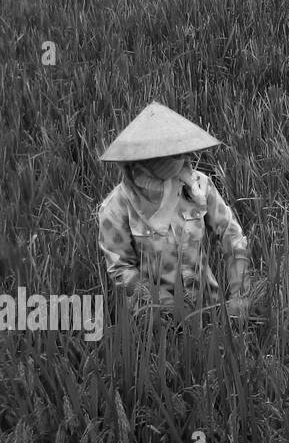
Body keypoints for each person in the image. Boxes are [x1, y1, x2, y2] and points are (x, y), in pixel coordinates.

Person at [96, 102, 251, 319]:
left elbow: (231, 234)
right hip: (155, 323)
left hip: (208, 308)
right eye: (170, 157)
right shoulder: (116, 207)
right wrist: (165, 304)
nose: (182, 162)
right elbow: (120, 270)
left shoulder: (198, 185)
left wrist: (240, 291)